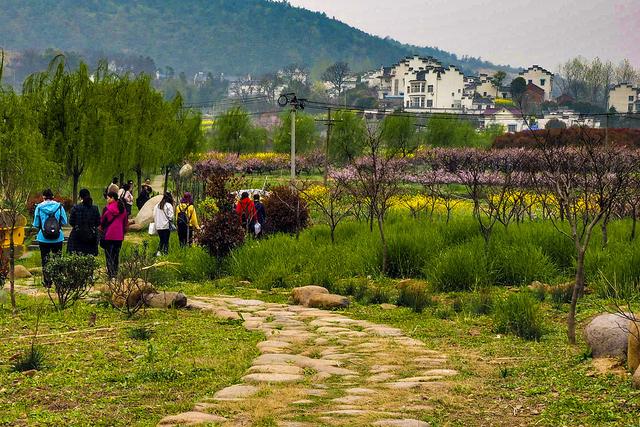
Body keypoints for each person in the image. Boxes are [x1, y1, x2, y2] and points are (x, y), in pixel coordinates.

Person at [32, 189, 68, 287]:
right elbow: (64, 222)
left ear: (43, 197)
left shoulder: (39, 207)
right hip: (58, 237)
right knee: (57, 259)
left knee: (45, 259)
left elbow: (36, 224)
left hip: (43, 238)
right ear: (52, 196)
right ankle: (58, 281)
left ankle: (47, 282)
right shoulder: (59, 206)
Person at [101, 191, 128, 279]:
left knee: (109, 256)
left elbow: (102, 222)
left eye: (108, 198)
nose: (107, 200)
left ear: (112, 198)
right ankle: (115, 274)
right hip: (119, 236)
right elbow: (125, 223)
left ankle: (110, 274)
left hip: (108, 235)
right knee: (116, 255)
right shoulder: (123, 209)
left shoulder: (107, 209)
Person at [67, 189, 101, 256]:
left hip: (77, 236)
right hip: (91, 237)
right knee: (90, 257)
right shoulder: (95, 208)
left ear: (80, 197)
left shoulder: (76, 208)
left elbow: (71, 222)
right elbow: (98, 222)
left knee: (77, 257)